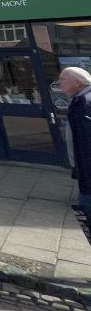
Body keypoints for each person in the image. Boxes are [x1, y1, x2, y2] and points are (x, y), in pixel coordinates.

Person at [60, 67, 91, 215]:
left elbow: (86, 140)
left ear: (77, 83)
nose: (59, 83)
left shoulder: (83, 102)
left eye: (63, 79)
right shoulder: (79, 99)